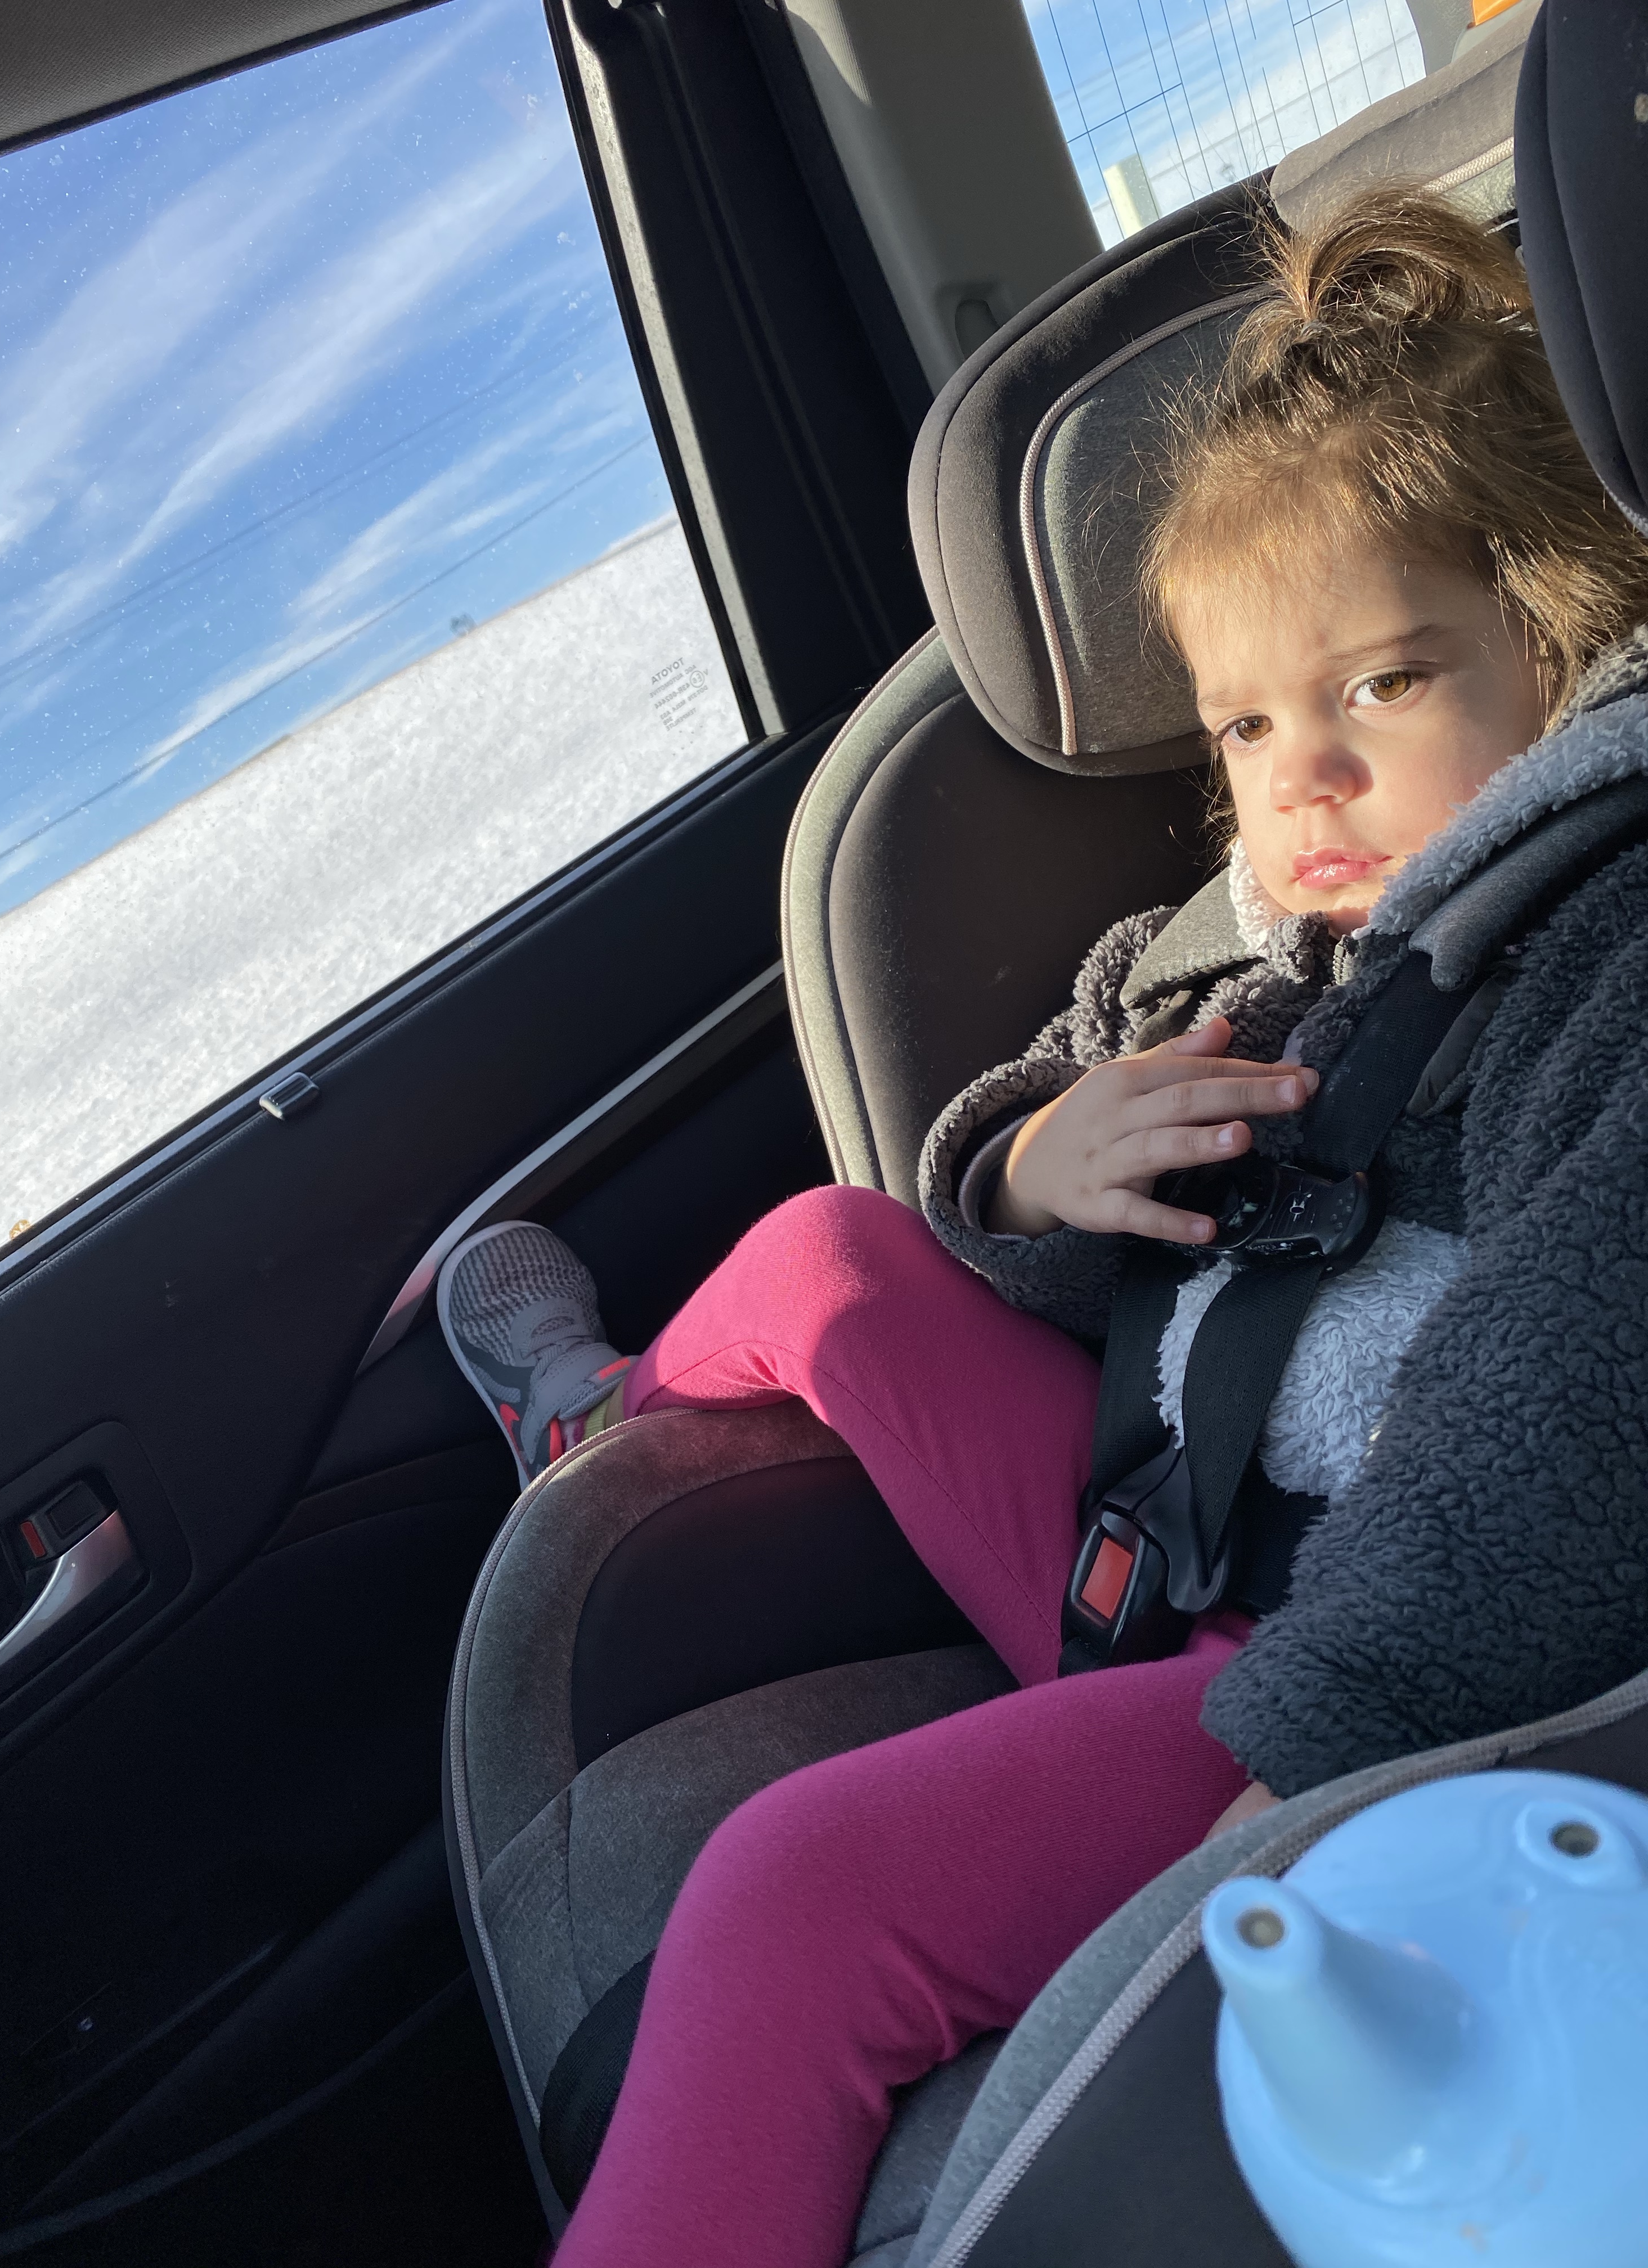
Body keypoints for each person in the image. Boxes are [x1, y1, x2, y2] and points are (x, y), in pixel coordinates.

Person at [437, 187, 1648, 2267]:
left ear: (1559, 639)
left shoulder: (1605, 940)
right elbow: (1045, 1130)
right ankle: (597, 1420)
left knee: (793, 1896)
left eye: (1383, 683)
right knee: (830, 1248)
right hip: (1150, 1529)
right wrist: (1027, 1169)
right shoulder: (1247, 943)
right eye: (1248, 726)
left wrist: (1320, 1760)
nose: (1304, 779)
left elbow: (1572, 1397)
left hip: (1364, 1668)